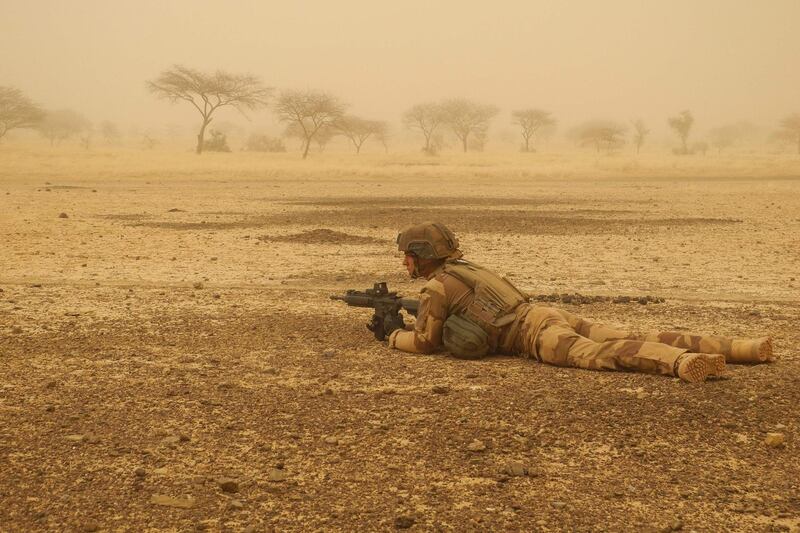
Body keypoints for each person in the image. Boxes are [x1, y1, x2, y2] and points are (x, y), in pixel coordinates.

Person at [386, 222, 774, 383]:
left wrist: (392, 336)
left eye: (408, 255)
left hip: (534, 334)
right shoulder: (465, 269)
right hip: (544, 313)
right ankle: (745, 349)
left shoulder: (437, 287)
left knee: (605, 354)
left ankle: (680, 362)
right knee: (636, 332)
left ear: (421, 254)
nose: (405, 262)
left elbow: (425, 343)